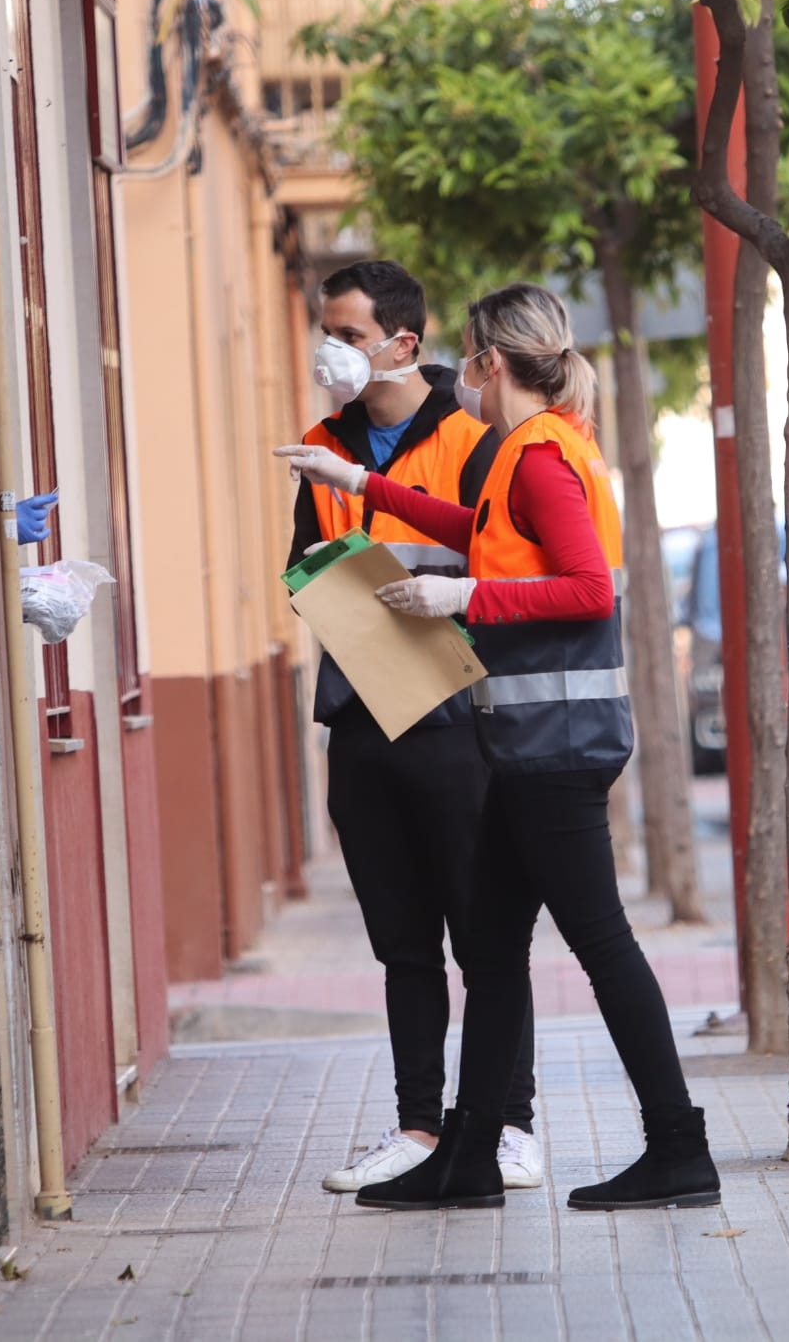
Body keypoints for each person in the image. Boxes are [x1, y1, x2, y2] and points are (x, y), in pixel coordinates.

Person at [275, 282, 720, 1212]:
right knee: (495, 949)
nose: (463, 378)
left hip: (557, 748)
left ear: (490, 360)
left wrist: (463, 597)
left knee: (601, 943)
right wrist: (359, 486)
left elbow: (588, 590)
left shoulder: (542, 455)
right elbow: (471, 528)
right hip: (527, 747)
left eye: (470, 359)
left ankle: (679, 1146)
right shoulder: (528, 450)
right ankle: (470, 1154)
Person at [288, 261, 542, 1195]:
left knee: (486, 939)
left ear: (404, 341)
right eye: (326, 332)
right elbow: (301, 566)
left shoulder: (476, 437)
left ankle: (508, 1123)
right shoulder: (321, 444)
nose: (332, 351)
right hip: (363, 715)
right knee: (401, 943)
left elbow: (506, 567)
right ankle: (418, 1126)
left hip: (460, 717)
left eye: (348, 335)